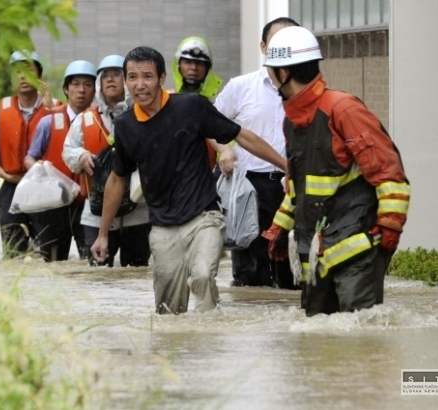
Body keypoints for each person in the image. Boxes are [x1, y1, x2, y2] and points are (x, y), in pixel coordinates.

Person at [90, 46, 287, 315]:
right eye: (132, 77)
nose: (140, 85)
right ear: (126, 81)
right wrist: (102, 235)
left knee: (203, 276)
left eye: (147, 76)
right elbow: (117, 178)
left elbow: (241, 135)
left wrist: (287, 166)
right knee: (169, 310)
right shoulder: (126, 126)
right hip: (162, 226)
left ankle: (209, 346)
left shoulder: (190, 106)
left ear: (161, 79)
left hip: (204, 216)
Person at [262, 26, 410, 317]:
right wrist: (279, 228)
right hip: (318, 253)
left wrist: (390, 226)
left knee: (359, 335)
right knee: (319, 340)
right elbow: (300, 188)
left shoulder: (343, 109)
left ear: (283, 73)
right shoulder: (293, 122)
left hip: (357, 248)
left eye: (271, 69)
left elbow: (389, 173)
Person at [212, 17, 300, 289]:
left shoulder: (308, 93)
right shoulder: (240, 87)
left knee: (292, 274)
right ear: (263, 46)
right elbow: (210, 125)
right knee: (250, 274)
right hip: (249, 188)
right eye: (276, 43)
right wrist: (224, 149)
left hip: (292, 188)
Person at [62, 54, 151, 267]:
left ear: (127, 81)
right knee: (96, 275)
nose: (110, 79)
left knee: (136, 273)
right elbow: (67, 151)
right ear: (100, 84)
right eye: (106, 76)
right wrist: (81, 156)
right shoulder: (85, 118)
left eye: (117, 75)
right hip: (95, 213)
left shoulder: (144, 116)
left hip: (138, 213)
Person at [0, 50, 55, 259]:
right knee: (13, 256)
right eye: (17, 72)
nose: (22, 77)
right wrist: (7, 176)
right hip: (12, 188)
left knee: (51, 256)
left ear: (39, 76)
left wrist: (50, 109)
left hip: (46, 190)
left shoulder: (56, 109)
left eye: (28, 70)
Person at [24, 60, 97, 262]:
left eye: (87, 85)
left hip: (89, 205)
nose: (81, 90)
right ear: (66, 89)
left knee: (93, 265)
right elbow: (30, 157)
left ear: (94, 90)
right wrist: (40, 170)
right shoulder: (48, 122)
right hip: (55, 205)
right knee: (53, 265)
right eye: (75, 84)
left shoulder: (101, 122)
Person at [171, 36, 222, 171]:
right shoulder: (163, 101)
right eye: (187, 62)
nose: (193, 68)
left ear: (207, 68)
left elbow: (231, 141)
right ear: (178, 65)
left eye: (199, 63)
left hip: (208, 183)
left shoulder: (219, 105)